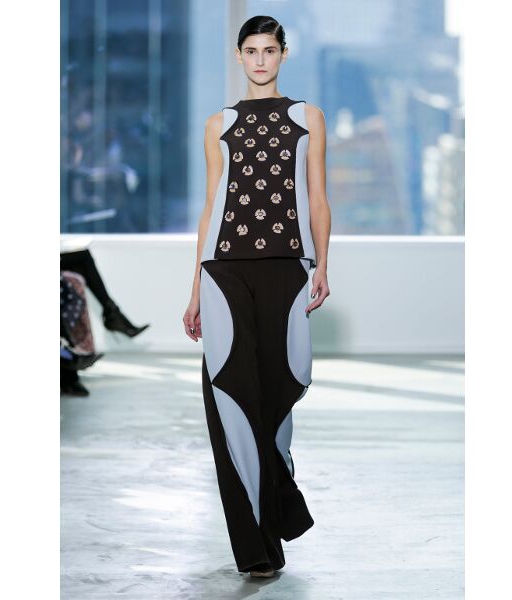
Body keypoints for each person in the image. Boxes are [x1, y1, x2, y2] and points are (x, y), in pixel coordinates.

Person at [183, 15, 331, 578]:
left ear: (283, 54)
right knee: (230, 397)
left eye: (269, 50)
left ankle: (281, 511)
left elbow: (317, 197)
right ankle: (256, 549)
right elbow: (212, 207)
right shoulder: (218, 125)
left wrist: (321, 264)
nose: (260, 60)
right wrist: (195, 288)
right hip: (223, 271)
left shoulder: (306, 118)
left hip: (286, 270)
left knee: (278, 396)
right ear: (240, 56)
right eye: (251, 50)